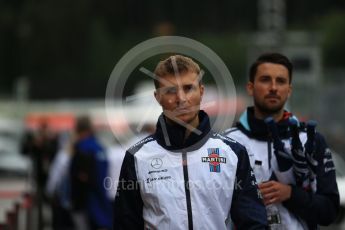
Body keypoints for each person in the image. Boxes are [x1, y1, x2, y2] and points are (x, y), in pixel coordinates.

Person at [113, 55, 268, 229]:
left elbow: (255, 223)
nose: (181, 98)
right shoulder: (137, 157)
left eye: (188, 88)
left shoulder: (233, 152)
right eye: (170, 90)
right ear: (157, 97)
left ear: (201, 92)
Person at [225, 53, 340, 229]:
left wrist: (290, 194)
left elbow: (329, 212)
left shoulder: (311, 139)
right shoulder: (228, 142)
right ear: (250, 87)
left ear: (289, 89)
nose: (273, 87)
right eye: (265, 80)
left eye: (280, 81)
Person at [69, 116, 112, 230]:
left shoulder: (82, 148)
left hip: (87, 202)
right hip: (103, 198)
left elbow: (81, 176)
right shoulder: (100, 147)